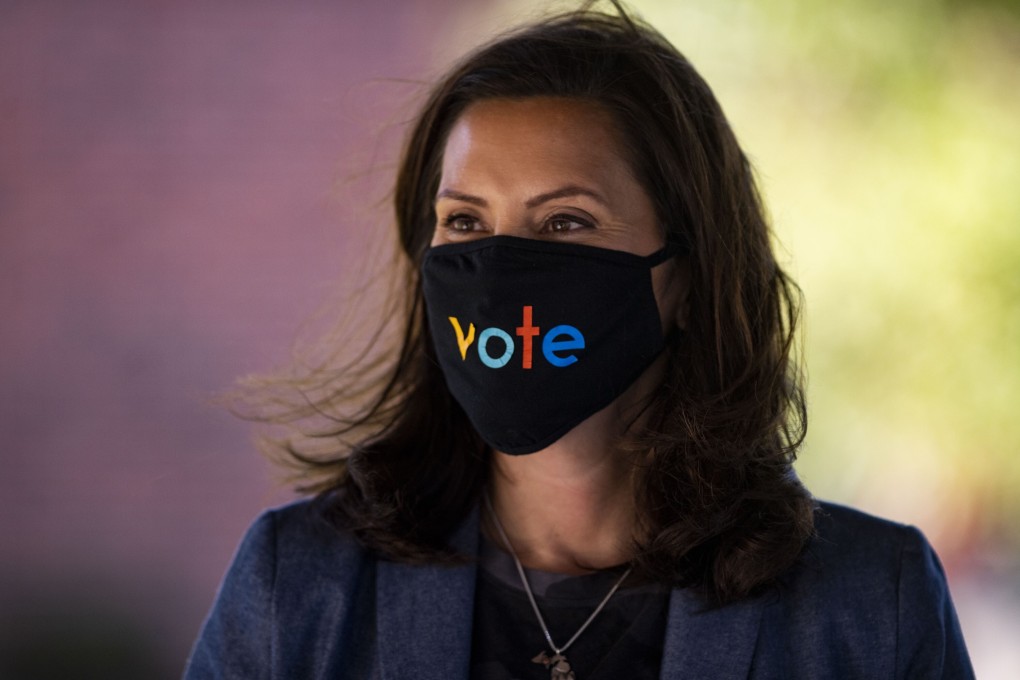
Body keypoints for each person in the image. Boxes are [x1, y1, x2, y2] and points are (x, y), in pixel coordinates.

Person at [184, 3, 974, 679]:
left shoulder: (872, 604)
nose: (500, 271)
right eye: (464, 220)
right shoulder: (300, 586)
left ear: (688, 276)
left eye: (566, 221)